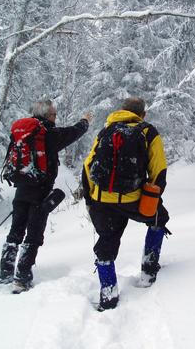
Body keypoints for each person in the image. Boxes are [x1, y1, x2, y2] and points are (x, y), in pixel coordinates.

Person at [82, 97, 170, 311]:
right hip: (133, 199)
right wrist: (153, 199)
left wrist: (90, 199)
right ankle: (148, 271)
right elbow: (158, 170)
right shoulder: (148, 131)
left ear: (121, 111)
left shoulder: (106, 131)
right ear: (143, 114)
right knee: (160, 219)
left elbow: (87, 165)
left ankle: (108, 294)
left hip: (102, 200)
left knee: (106, 242)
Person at [0, 99, 93, 293]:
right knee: (33, 235)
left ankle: (5, 273)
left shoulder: (24, 133)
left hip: (22, 188)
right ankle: (22, 277)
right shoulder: (48, 134)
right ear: (48, 116)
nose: (55, 118)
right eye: (54, 115)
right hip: (40, 192)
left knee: (15, 231)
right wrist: (85, 121)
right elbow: (73, 132)